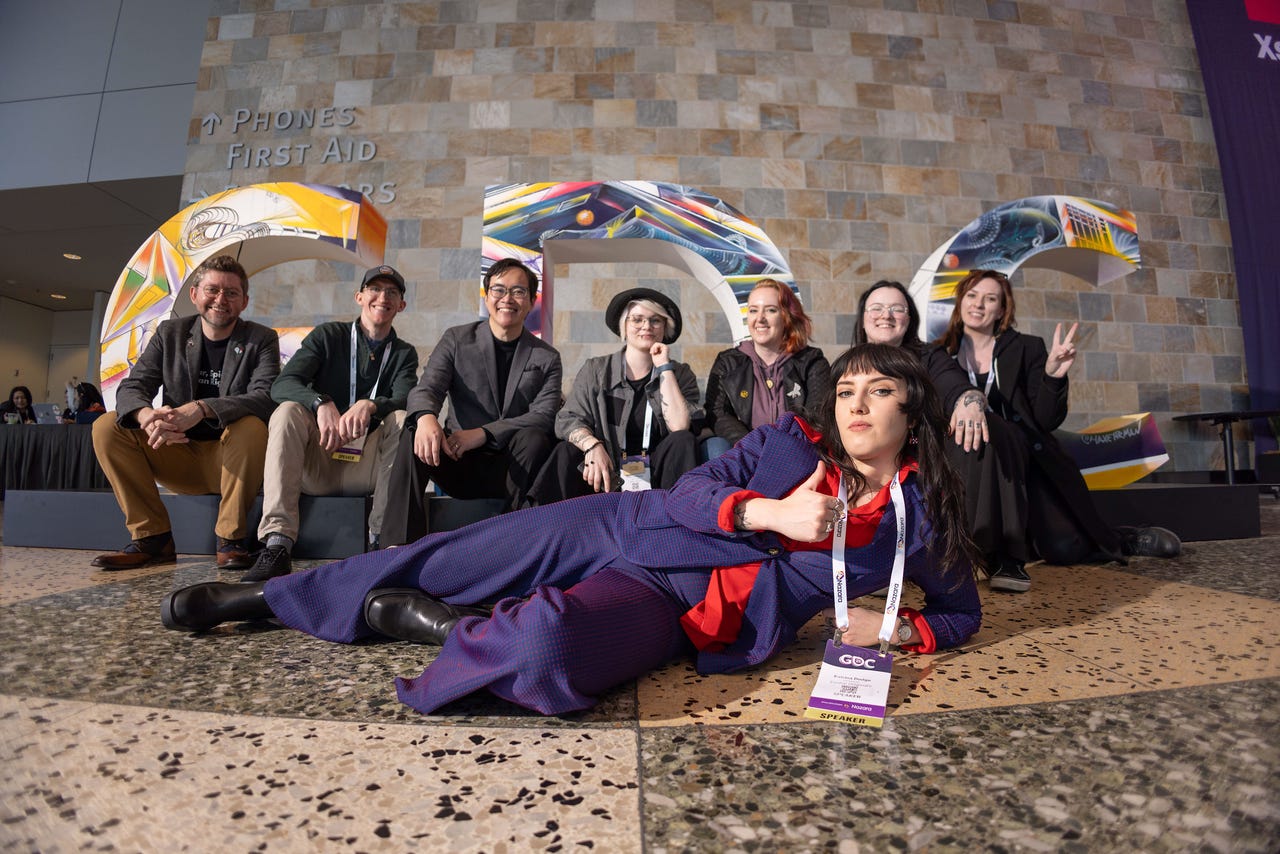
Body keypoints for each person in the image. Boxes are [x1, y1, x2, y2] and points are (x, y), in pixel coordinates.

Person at [160, 343, 983, 717]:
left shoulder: (914, 520)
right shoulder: (784, 446)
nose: (855, 406)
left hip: (673, 605)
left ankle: (437, 625)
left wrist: (903, 626)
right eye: (846, 393)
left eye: (876, 395)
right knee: (445, 553)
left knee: (546, 649)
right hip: (623, 520)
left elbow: (963, 612)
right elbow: (692, 491)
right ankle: (266, 596)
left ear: (912, 420)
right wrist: (770, 513)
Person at [932, 269, 1180, 585]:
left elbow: (1046, 420)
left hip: (1023, 462)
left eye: (990, 298)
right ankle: (1002, 551)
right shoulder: (939, 355)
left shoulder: (1026, 348)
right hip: (968, 464)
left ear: (1002, 309)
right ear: (960, 301)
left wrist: (1053, 375)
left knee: (1064, 547)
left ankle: (1124, 538)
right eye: (972, 295)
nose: (979, 304)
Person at [91, 255, 280, 570]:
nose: (221, 299)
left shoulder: (260, 339)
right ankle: (153, 539)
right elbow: (132, 388)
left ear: (244, 301)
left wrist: (202, 408)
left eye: (231, 293)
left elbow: (265, 397)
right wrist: (146, 416)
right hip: (175, 453)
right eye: (212, 290)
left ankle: (230, 541)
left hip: (232, 459)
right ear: (195, 294)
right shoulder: (170, 333)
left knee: (251, 425)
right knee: (107, 426)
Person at [240, 265, 420, 582]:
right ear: (359, 296)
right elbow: (282, 385)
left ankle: (382, 541)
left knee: (403, 420)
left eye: (392, 292)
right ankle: (277, 543)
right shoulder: (328, 336)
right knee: (286, 412)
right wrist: (319, 402)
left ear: (401, 305)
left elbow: (406, 397)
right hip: (319, 458)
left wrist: (370, 404)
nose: (383, 297)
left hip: (367, 466)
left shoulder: (404, 354)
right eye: (375, 289)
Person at [379, 258, 562, 546]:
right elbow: (427, 388)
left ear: (530, 302)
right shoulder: (457, 339)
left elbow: (545, 414)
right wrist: (426, 416)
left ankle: (517, 545)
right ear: (487, 296)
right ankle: (397, 548)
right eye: (499, 290)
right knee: (415, 429)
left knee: (535, 437)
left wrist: (483, 434)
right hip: (457, 460)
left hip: (512, 467)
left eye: (518, 291)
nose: (507, 299)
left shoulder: (546, 357)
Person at [526, 287, 701, 503]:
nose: (647, 326)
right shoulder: (596, 370)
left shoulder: (680, 374)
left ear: (665, 328)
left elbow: (680, 427)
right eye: (637, 319)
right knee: (565, 451)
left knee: (683, 440)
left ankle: (680, 520)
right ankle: (544, 524)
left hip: (659, 476)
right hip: (604, 472)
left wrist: (664, 368)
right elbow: (569, 418)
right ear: (624, 327)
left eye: (656, 320)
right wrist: (593, 445)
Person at [703, 278, 832, 458]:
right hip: (747, 453)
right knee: (715, 446)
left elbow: (816, 415)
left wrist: (780, 446)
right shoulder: (728, 362)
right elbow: (717, 413)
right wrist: (755, 444)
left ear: (787, 316)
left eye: (771, 310)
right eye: (753, 310)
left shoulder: (811, 361)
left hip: (795, 452)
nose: (760, 319)